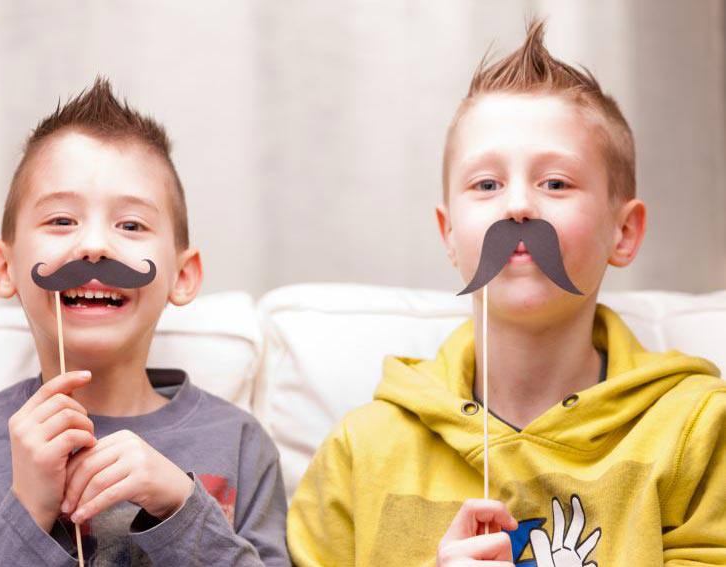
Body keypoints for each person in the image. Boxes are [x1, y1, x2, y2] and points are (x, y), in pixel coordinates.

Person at [287, 20, 726, 566]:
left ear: (624, 232)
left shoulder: (696, 428)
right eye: (487, 184)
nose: (517, 207)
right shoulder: (362, 450)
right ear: (449, 234)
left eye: (556, 183)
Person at [0, 77, 289, 566]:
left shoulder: (239, 444)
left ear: (182, 276)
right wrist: (27, 509)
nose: (93, 246)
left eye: (131, 225)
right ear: (3, 268)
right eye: (61, 221)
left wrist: (180, 507)